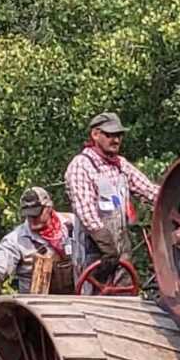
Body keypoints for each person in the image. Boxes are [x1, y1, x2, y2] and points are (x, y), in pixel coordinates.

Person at [63, 112, 159, 280]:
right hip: (93, 251)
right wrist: (106, 246)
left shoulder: (120, 165)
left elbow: (148, 190)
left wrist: (176, 197)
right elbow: (86, 212)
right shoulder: (81, 165)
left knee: (124, 293)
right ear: (95, 134)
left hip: (121, 249)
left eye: (119, 135)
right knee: (93, 293)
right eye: (110, 135)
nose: (116, 140)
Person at [0, 191, 75, 302]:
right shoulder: (16, 239)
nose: (32, 219)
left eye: (36, 214)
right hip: (35, 305)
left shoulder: (72, 223)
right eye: (28, 214)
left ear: (48, 208)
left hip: (77, 300)